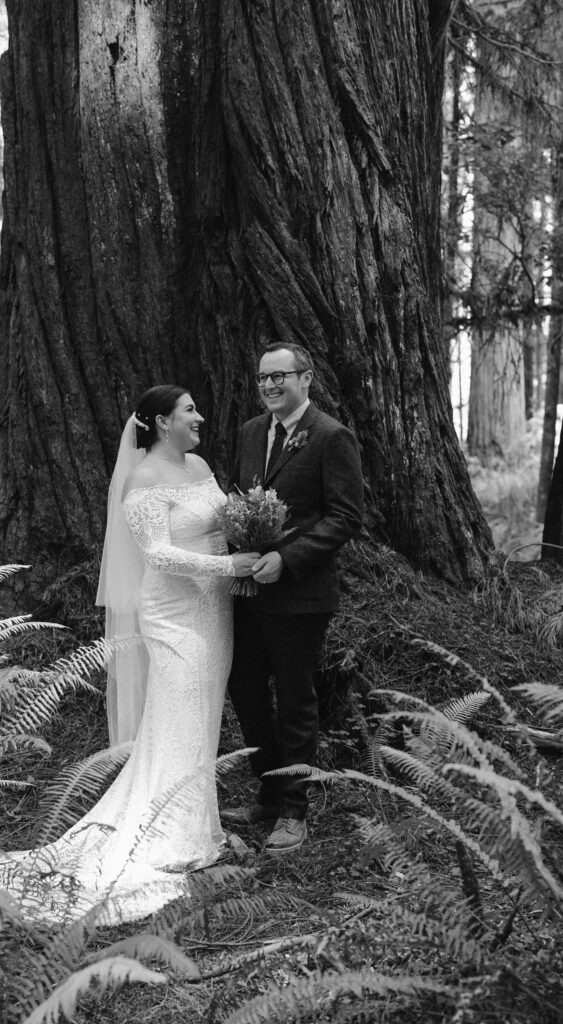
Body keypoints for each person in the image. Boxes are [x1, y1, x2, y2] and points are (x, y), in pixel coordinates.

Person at [0, 386, 258, 925]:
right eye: (190, 410)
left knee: (204, 713)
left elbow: (218, 526)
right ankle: (171, 833)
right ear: (163, 423)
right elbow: (160, 555)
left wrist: (244, 538)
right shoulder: (143, 477)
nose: (200, 417)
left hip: (215, 610)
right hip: (174, 612)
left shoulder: (201, 464)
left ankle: (200, 823)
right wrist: (230, 569)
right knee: (179, 714)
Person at [222, 343, 364, 854]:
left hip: (301, 594)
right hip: (248, 590)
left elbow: (346, 516)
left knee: (295, 700)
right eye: (262, 379)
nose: (269, 386)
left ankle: (294, 810)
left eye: (279, 377)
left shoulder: (331, 436)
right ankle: (267, 789)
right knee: (247, 691)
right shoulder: (250, 432)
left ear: (306, 378)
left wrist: (289, 558)